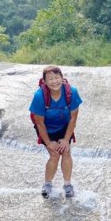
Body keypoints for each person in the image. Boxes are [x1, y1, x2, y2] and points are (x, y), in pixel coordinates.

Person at [30, 66, 82, 198]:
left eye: (57, 77)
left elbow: (73, 118)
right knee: (54, 155)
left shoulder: (72, 92)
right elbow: (39, 123)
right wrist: (48, 143)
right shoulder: (39, 96)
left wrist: (65, 139)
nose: (54, 81)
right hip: (46, 128)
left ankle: (67, 185)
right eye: (50, 79)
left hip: (64, 125)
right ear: (45, 82)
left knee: (66, 151)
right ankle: (47, 184)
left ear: (62, 78)